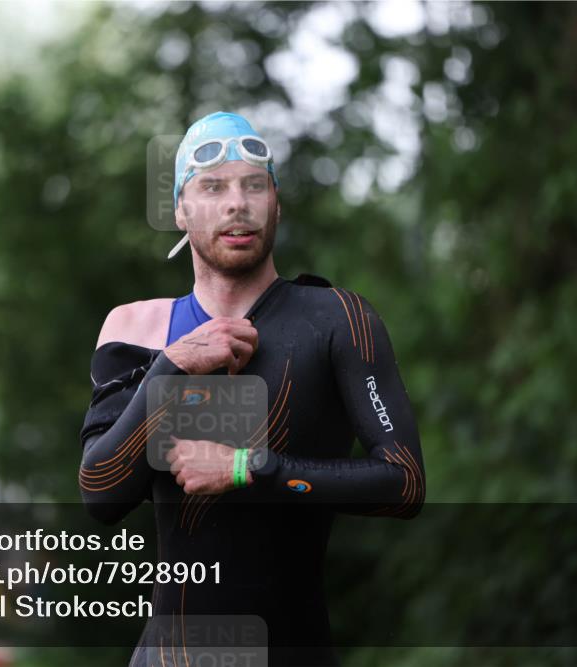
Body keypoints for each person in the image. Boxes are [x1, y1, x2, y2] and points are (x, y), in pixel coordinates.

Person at [79, 111, 425, 666]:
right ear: (181, 210)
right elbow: (100, 493)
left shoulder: (337, 319)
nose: (237, 202)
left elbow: (404, 483)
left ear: (276, 205)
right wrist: (171, 366)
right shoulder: (137, 327)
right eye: (213, 187)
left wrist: (249, 469)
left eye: (254, 185)